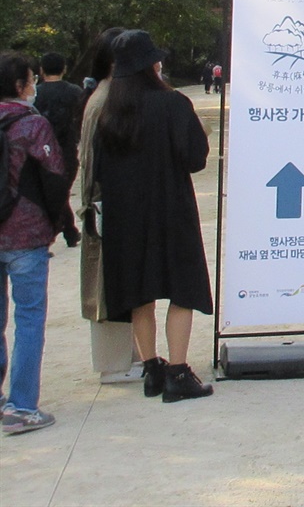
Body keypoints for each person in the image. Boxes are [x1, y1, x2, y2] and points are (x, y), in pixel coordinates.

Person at [95, 29, 214, 403]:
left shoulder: (108, 114)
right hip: (170, 209)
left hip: (125, 217)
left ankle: (152, 369)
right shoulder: (174, 105)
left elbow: (99, 170)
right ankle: (179, 372)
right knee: (182, 287)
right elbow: (195, 159)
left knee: (139, 292)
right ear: (151, 66)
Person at [0, 51, 71, 435]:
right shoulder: (31, 125)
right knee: (28, 318)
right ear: (19, 85)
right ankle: (22, 406)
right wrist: (57, 220)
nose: (34, 85)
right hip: (25, 233)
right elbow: (54, 176)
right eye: (31, 79)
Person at [77, 27, 141, 384]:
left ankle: (126, 357)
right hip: (104, 207)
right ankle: (115, 362)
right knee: (105, 286)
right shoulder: (104, 102)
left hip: (108, 205)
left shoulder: (106, 96)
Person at [34, 52, 85, 184]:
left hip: (41, 150)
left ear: (41, 70)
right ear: (64, 68)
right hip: (68, 148)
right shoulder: (76, 92)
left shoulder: (35, 93)